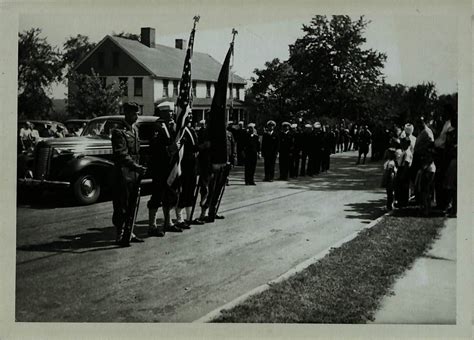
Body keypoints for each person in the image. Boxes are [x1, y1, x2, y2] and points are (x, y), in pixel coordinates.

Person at [111, 102, 147, 246]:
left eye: (137, 113)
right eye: (134, 113)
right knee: (122, 204)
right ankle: (120, 234)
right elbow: (121, 154)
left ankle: (129, 231)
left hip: (134, 173)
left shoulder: (135, 130)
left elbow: (137, 152)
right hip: (123, 173)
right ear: (127, 114)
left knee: (133, 203)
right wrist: (136, 167)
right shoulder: (118, 131)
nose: (137, 116)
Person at [147, 104, 181, 236]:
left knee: (169, 194)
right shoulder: (157, 126)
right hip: (159, 167)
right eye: (168, 112)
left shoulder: (169, 126)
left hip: (169, 167)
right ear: (162, 113)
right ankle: (152, 225)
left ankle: (168, 222)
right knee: (157, 195)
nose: (171, 114)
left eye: (172, 112)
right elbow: (155, 147)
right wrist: (168, 149)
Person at [174, 115, 199, 229]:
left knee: (191, 191)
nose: (190, 118)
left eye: (190, 115)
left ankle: (189, 217)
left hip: (192, 165)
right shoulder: (180, 131)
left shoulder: (191, 130)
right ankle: (180, 218)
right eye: (187, 116)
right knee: (183, 192)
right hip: (184, 165)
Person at [394, 138, 413, 208]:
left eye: (404, 143)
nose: (402, 144)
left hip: (404, 170)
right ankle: (400, 201)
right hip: (401, 169)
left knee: (403, 187)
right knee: (400, 186)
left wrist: (403, 174)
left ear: (407, 144)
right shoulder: (404, 151)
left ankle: (403, 202)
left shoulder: (407, 153)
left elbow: (406, 164)